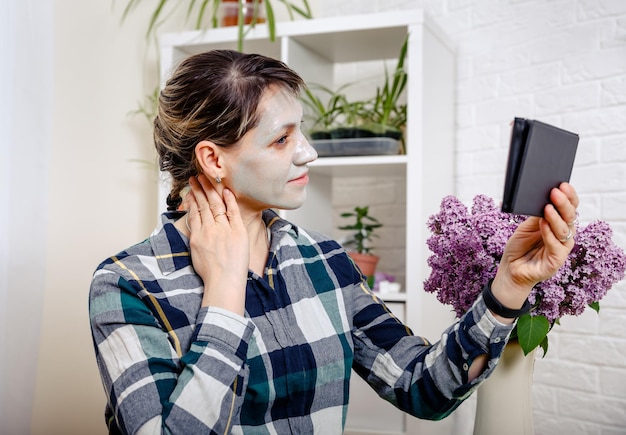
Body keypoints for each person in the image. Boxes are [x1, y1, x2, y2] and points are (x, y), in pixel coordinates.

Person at [89, 49, 579, 434]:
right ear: (214, 160)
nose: (309, 153)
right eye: (282, 140)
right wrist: (223, 297)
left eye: (300, 131)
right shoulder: (127, 285)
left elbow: (423, 388)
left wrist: (510, 282)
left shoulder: (322, 259)